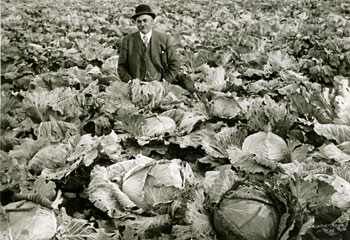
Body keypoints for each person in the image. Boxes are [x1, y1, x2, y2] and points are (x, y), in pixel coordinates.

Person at [118, 4, 181, 83]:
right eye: (139, 21)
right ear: (136, 23)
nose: (142, 24)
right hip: (136, 86)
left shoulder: (164, 39)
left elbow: (175, 63)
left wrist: (165, 81)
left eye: (145, 20)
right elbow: (121, 66)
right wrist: (130, 81)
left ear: (152, 21)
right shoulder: (127, 40)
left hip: (159, 85)